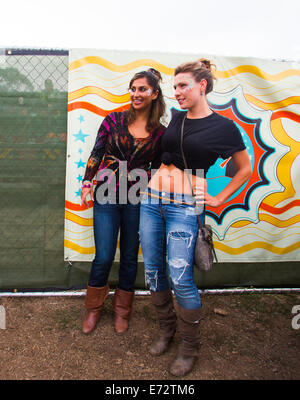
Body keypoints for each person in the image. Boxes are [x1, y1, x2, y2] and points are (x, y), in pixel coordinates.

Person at [139, 59, 252, 377]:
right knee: (153, 272)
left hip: (184, 207)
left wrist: (218, 197)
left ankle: (189, 349)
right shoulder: (176, 118)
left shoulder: (223, 127)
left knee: (181, 278)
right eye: (175, 87)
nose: (177, 92)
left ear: (202, 85)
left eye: (183, 85)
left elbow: (244, 168)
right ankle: (167, 330)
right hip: (151, 202)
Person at [80, 68, 166, 335]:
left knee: (129, 256)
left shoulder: (160, 133)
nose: (136, 94)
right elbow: (96, 152)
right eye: (133, 88)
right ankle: (93, 309)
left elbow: (158, 168)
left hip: (138, 198)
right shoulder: (113, 120)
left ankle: (122, 311)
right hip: (106, 192)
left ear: (154, 94)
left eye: (142, 89)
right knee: (104, 255)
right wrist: (86, 183)